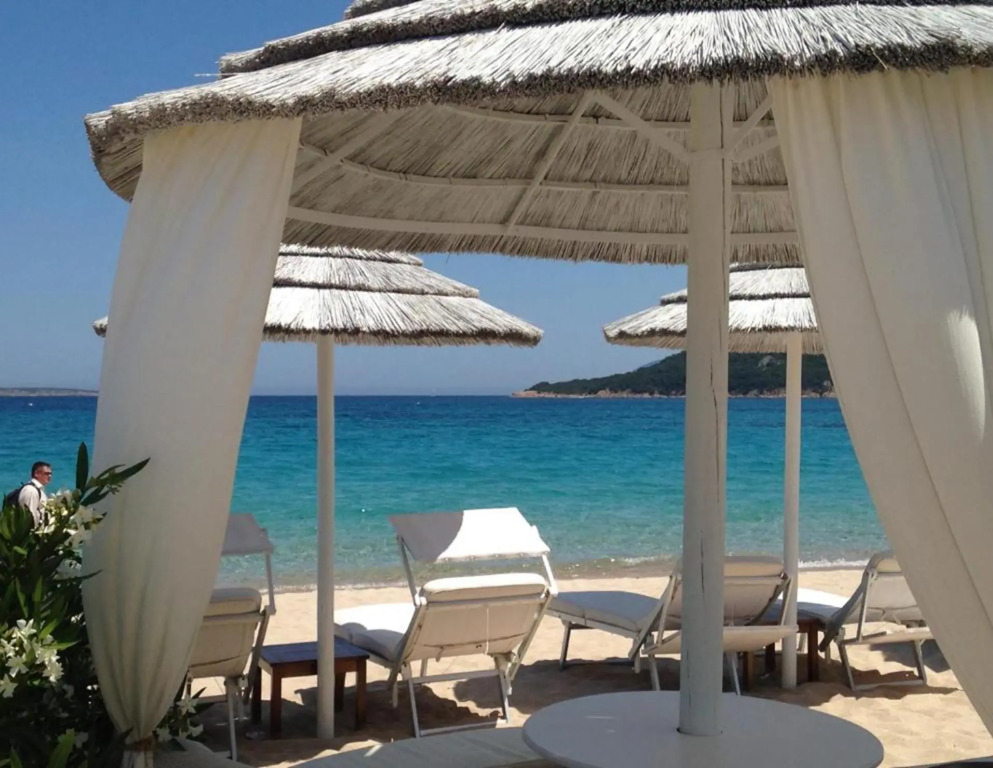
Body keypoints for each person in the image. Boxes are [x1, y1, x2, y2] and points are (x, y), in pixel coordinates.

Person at [17, 461, 52, 527]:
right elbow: (29, 516)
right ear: (36, 473)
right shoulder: (31, 490)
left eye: (50, 474)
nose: (50, 476)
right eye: (46, 474)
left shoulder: (38, 490)